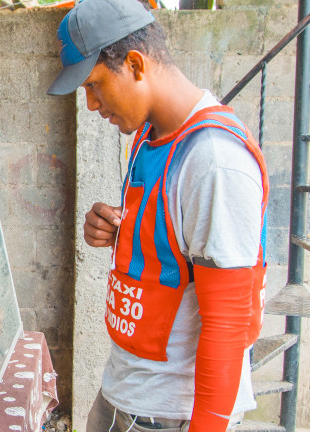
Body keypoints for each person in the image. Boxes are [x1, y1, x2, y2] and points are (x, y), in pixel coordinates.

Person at [47, 0, 269, 431]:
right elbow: (173, 245)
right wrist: (120, 230)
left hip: (171, 415)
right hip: (127, 391)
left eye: (94, 85)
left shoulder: (214, 161)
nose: (91, 104)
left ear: (135, 64)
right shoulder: (149, 136)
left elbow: (227, 322)